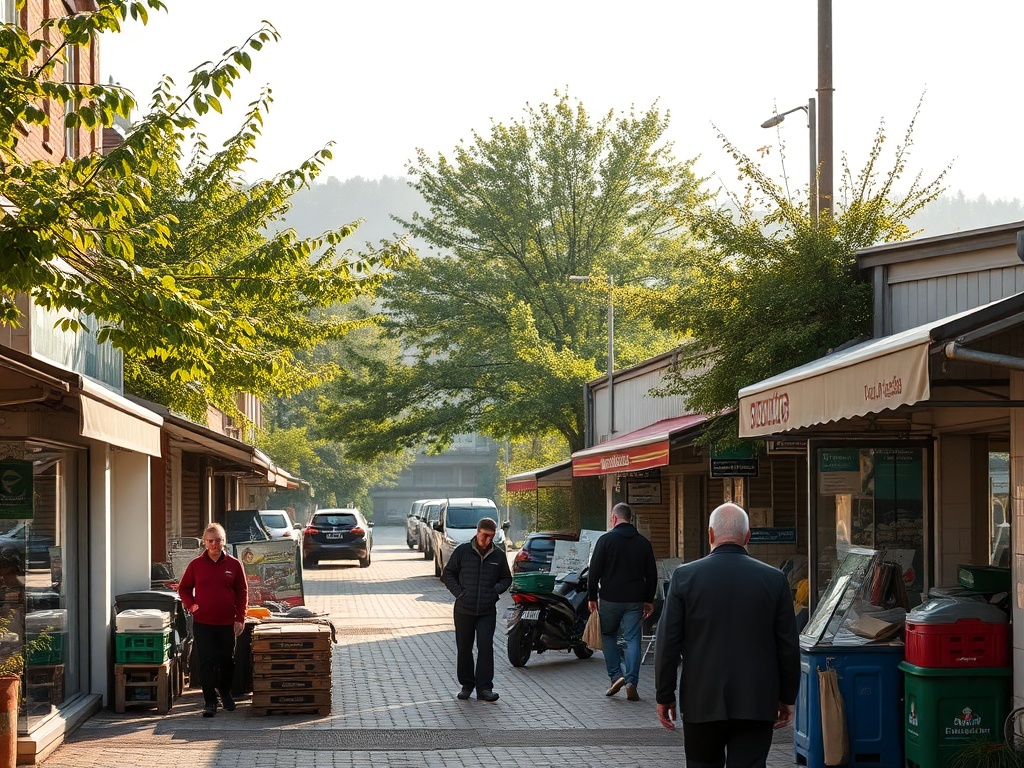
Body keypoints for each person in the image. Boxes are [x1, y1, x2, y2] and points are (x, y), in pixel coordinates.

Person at [654, 503, 800, 768]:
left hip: (701, 700)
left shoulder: (684, 577)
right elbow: (788, 645)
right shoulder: (774, 579)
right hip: (756, 700)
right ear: (748, 536)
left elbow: (668, 643)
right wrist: (787, 697)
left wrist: (665, 695)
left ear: (710, 535)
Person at [587, 501, 658, 701]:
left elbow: (595, 571)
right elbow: (651, 574)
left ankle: (616, 676)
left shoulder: (606, 540)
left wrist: (592, 596)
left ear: (614, 518)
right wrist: (649, 599)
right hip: (635, 600)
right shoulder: (643, 543)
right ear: (630, 518)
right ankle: (632, 682)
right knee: (633, 639)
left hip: (610, 598)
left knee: (608, 636)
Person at [178, 522, 248, 717]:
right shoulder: (196, 565)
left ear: (224, 541)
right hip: (203, 623)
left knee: (227, 661)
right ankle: (210, 702)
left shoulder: (234, 564)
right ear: (204, 542)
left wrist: (240, 617)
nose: (214, 544)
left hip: (227, 622)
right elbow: (183, 588)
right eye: (210, 541)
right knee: (207, 662)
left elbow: (242, 591)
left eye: (217, 540)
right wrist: (190, 605)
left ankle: (225, 692)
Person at [440, 517, 512, 703]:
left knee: (485, 646)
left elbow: (506, 579)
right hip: (464, 609)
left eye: (491, 536)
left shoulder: (498, 555)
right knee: (464, 648)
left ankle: (485, 688)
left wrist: (493, 592)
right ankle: (466, 685)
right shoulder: (463, 551)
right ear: (477, 532)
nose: (487, 540)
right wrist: (459, 593)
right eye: (484, 535)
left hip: (486, 610)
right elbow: (448, 574)